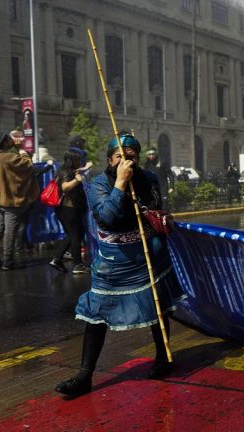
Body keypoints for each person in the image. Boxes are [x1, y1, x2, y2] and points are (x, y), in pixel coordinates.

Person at [55, 133, 186, 398]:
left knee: (157, 307)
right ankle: (84, 375)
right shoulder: (99, 184)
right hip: (114, 262)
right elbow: (108, 217)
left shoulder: (148, 178)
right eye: (120, 157)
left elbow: (157, 208)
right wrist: (121, 184)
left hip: (149, 254)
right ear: (109, 159)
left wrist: (157, 215)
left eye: (131, 157)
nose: (126, 162)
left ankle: (163, 357)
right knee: (97, 312)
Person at [0, 130, 40, 270]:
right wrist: (21, 148)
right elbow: (28, 164)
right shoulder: (7, 157)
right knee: (10, 231)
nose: (11, 139)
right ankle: (8, 261)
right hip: (9, 200)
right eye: (8, 138)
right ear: (4, 143)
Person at [48, 149, 89, 275]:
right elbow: (65, 187)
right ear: (73, 160)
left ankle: (57, 259)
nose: (80, 161)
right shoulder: (67, 172)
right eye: (78, 159)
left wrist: (85, 168)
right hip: (70, 209)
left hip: (64, 209)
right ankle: (78, 265)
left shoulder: (62, 170)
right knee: (75, 236)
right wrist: (77, 180)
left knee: (72, 235)